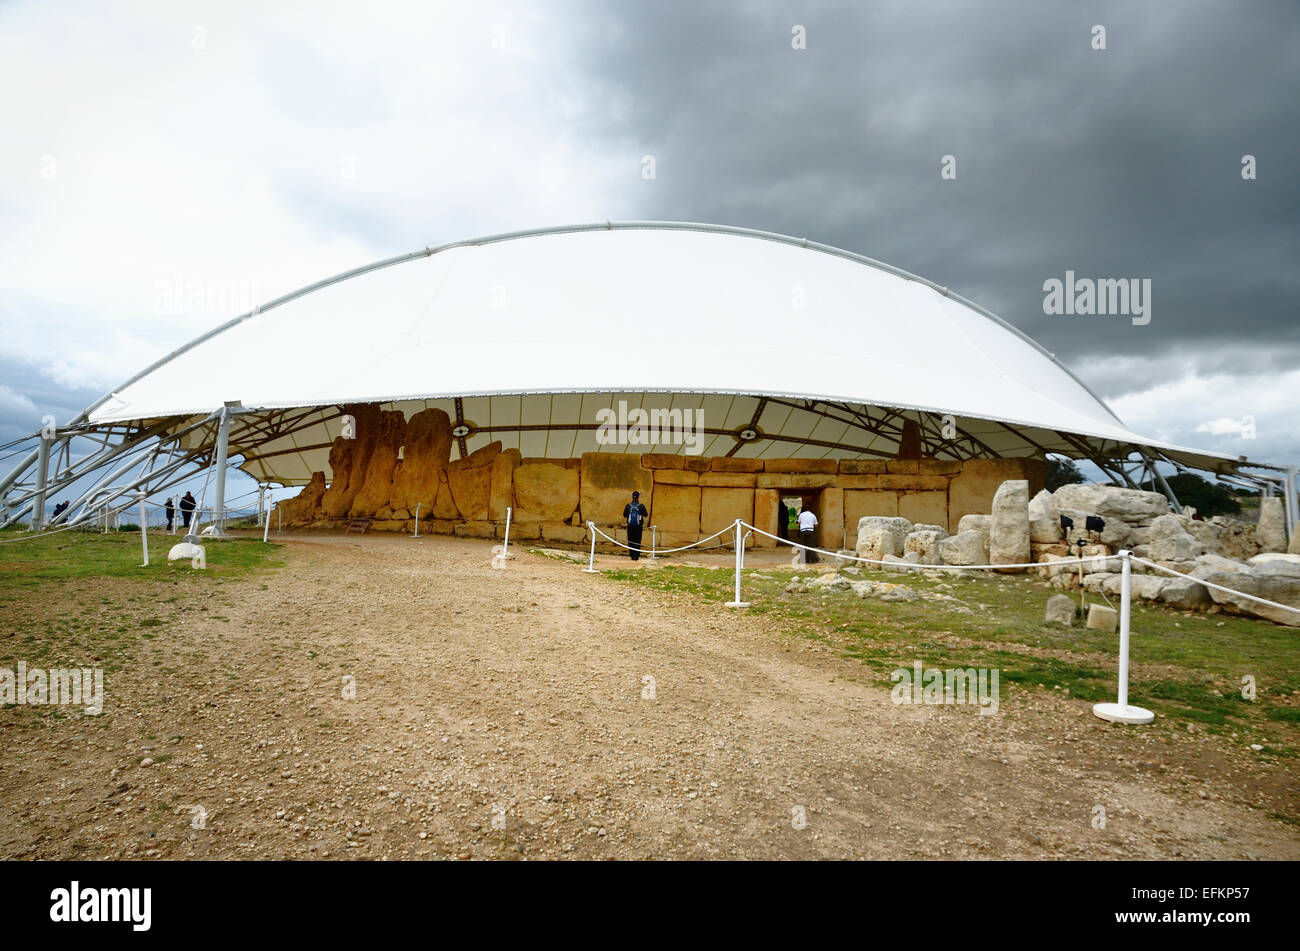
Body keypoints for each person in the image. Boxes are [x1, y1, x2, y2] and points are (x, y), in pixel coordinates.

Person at [622, 490, 648, 561]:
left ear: (632, 497)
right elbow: (646, 514)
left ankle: (631, 555)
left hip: (630, 526)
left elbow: (624, 515)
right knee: (637, 540)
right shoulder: (641, 506)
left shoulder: (628, 506)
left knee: (630, 540)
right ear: (638, 497)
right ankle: (636, 556)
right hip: (638, 526)